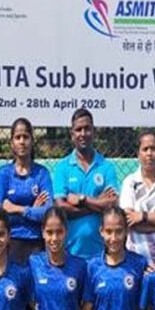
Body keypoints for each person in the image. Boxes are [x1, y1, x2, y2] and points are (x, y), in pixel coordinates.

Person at [53, 108, 119, 259]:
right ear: (72, 134)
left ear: (93, 132)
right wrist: (97, 203)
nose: (83, 133)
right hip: (69, 254)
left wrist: (83, 200)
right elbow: (61, 207)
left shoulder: (106, 167)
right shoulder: (62, 168)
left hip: (101, 255)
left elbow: (112, 205)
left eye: (87, 129)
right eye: (78, 129)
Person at [0, 117, 53, 264]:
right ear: (11, 143)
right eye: (17, 137)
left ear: (32, 141)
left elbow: (48, 213)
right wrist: (33, 210)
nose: (22, 141)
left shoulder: (42, 173)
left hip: (36, 240)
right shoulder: (4, 173)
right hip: (10, 241)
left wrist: (17, 209)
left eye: (25, 137)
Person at [119, 130, 155, 265]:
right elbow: (128, 219)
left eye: (153, 148)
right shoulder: (129, 182)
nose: (149, 153)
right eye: (145, 149)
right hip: (134, 258)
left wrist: (143, 217)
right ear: (138, 154)